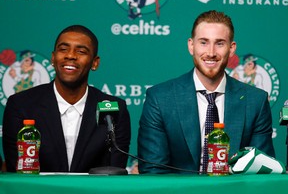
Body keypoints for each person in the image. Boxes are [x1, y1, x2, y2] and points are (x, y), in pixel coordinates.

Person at [137, 10, 275, 174]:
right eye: (203, 42)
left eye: (219, 43)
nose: (210, 52)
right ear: (191, 45)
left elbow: (260, 173)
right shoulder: (160, 99)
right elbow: (153, 171)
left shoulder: (256, 102)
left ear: (231, 49)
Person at [2, 25, 131, 173]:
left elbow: (114, 174)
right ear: (53, 57)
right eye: (63, 49)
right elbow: (17, 172)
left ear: (95, 63)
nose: (70, 55)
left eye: (81, 51)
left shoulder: (115, 109)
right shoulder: (21, 106)